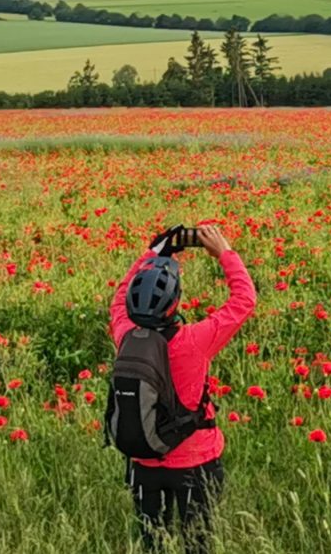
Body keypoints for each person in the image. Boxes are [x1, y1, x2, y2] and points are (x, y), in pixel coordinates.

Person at [109, 224, 256, 553]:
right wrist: (225, 253)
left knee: (153, 543)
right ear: (175, 302)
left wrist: (151, 254)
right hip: (195, 462)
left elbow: (118, 300)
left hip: (144, 461)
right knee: (198, 544)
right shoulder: (195, 341)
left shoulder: (124, 334)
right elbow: (244, 300)